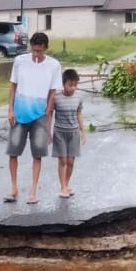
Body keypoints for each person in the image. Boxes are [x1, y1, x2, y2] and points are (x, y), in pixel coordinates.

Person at [5, 30, 63, 204]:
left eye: (40, 51)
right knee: (13, 152)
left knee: (37, 154)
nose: (36, 54)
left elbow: (53, 91)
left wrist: (48, 112)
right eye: (34, 50)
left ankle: (33, 191)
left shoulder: (54, 65)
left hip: (40, 115)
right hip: (20, 112)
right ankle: (14, 188)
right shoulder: (20, 62)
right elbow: (13, 86)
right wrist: (10, 109)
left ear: (46, 49)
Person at [51, 68, 85, 199]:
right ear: (63, 83)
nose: (73, 88)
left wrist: (83, 131)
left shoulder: (78, 97)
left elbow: (79, 113)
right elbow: (49, 112)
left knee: (71, 161)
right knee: (63, 160)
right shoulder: (56, 98)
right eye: (70, 85)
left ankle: (66, 183)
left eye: (75, 85)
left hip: (74, 133)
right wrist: (48, 131)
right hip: (60, 132)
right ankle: (63, 187)